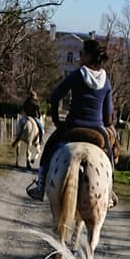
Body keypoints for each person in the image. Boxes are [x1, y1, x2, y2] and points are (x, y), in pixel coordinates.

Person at [27, 38, 115, 202]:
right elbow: (107, 116)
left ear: (88, 56)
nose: (80, 57)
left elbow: (54, 97)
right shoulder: (106, 82)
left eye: (82, 53)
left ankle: (40, 187)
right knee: (109, 154)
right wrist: (107, 123)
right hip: (97, 128)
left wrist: (57, 121)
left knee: (48, 149)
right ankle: (110, 191)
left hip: (73, 125)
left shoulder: (76, 75)